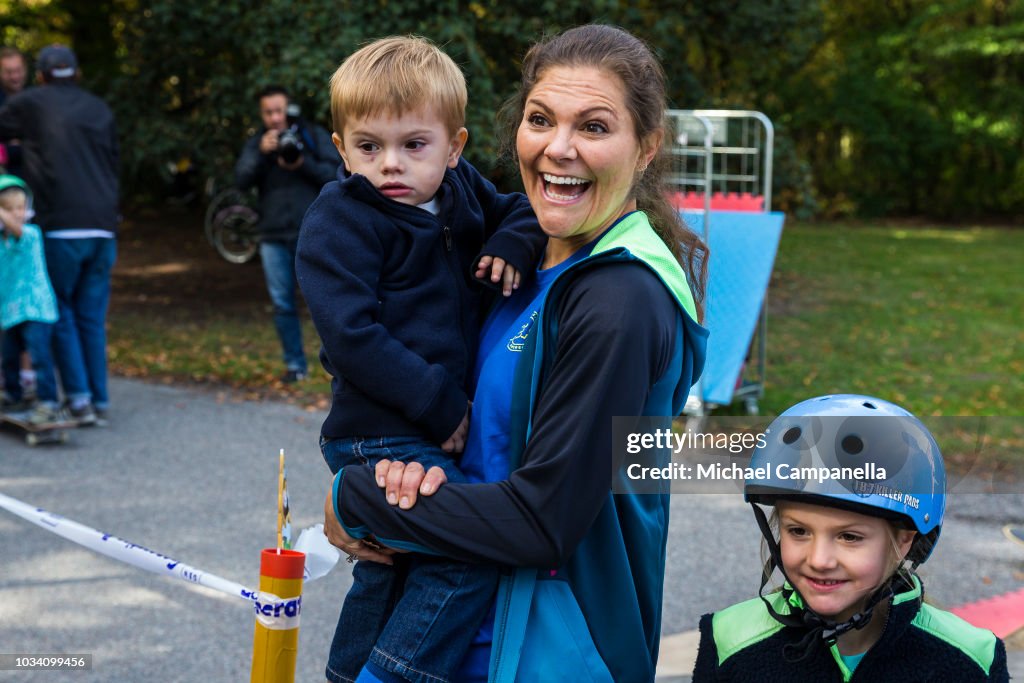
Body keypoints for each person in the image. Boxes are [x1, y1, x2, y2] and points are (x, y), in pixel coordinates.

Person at [320, 24, 709, 683]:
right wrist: (403, 474)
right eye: (540, 119)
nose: (559, 147)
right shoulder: (525, 266)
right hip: (461, 636)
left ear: (646, 148)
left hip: (548, 654)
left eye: (593, 126)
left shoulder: (621, 297)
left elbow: (541, 520)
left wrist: (355, 497)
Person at [296, 36, 545, 683]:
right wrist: (442, 406)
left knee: (389, 561)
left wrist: (514, 243)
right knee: (467, 548)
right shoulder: (339, 219)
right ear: (341, 147)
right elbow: (351, 335)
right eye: (368, 147)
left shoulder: (461, 189)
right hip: (377, 429)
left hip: (429, 426)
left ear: (454, 146)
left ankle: (350, 672)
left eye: (414, 145)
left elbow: (519, 209)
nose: (391, 166)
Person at [693, 394, 1009, 682]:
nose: (819, 560)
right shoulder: (729, 640)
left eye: (849, 537)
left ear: (905, 541)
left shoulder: (972, 659)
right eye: (798, 531)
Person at [0, 44, 119, 426]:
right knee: (91, 317)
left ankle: (80, 402)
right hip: (103, 226)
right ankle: (98, 400)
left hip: (62, 225)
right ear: (77, 73)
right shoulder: (99, 108)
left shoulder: (30, 103)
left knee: (61, 313)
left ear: (40, 75)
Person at [235, 85, 338, 383]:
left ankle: (337, 364)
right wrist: (260, 153)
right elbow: (241, 181)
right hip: (272, 234)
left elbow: (337, 175)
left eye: (279, 110)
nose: (274, 117)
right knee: (282, 304)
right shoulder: (258, 143)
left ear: (289, 108)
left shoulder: (311, 135)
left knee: (325, 301)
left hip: (313, 232)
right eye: (268, 112)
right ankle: (295, 365)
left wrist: (301, 163)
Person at [0, 175, 60, 423]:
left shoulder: (32, 234)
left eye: (20, 208)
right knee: (10, 356)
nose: (16, 214)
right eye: (9, 209)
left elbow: (18, 231)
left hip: (36, 309)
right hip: (11, 310)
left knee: (39, 357)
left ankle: (48, 401)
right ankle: (14, 395)